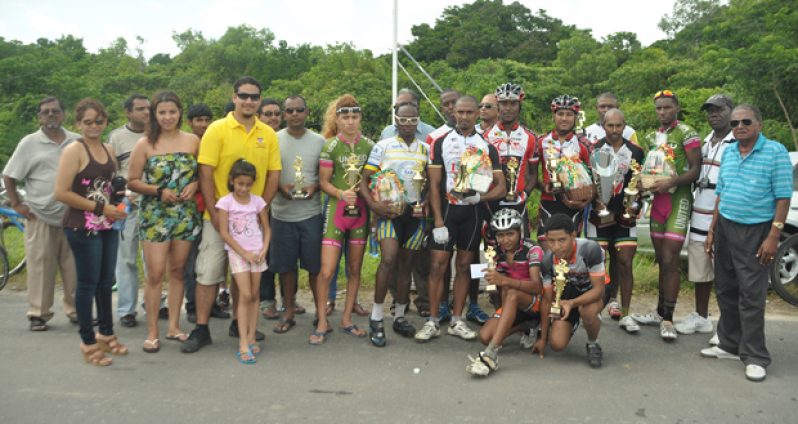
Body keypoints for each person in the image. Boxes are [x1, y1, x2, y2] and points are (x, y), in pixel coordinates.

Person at [182, 76, 281, 353]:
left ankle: (240, 323)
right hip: (218, 216)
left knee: (245, 272)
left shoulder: (268, 134)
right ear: (234, 97)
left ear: (259, 100)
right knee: (209, 271)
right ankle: (201, 328)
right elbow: (205, 172)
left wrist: (259, 210)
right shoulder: (217, 129)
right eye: (244, 96)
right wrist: (215, 213)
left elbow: (274, 174)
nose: (249, 101)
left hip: (251, 221)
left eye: (254, 96)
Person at [701, 104, 791, 382]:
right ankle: (729, 343)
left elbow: (783, 197)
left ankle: (755, 356)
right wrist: (713, 230)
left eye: (746, 122)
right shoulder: (729, 152)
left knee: (751, 293)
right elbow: (722, 194)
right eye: (735, 123)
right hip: (726, 226)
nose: (739, 126)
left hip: (756, 230)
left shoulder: (775, 152)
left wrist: (774, 236)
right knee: (726, 287)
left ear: (759, 124)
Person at [414, 95, 506, 343]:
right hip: (446, 212)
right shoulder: (441, 142)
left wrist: (480, 198)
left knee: (465, 267)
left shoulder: (487, 146)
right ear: (453, 113)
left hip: (472, 214)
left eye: (469, 112)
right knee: (437, 266)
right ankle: (433, 321)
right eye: (459, 112)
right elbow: (433, 185)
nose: (464, 117)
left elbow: (502, 187)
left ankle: (457, 319)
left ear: (478, 114)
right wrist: (438, 222)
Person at [54, 98, 128, 365]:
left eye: (98, 121)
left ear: (105, 121)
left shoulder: (108, 148)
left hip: (107, 223)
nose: (93, 126)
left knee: (106, 281)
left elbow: (109, 186)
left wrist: (118, 204)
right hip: (81, 225)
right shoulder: (74, 150)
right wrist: (101, 208)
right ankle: (87, 342)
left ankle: (106, 334)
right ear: (78, 124)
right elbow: (61, 192)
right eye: (87, 122)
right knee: (87, 284)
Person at [127, 91, 201, 353]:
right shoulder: (145, 143)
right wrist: (158, 191)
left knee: (179, 270)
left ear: (180, 112)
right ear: (154, 115)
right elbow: (132, 180)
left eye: (172, 112)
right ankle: (152, 331)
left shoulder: (192, 141)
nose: (168, 117)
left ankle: (173, 326)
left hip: (185, 214)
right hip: (155, 215)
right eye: (162, 112)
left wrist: (195, 183)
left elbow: (204, 173)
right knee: (156, 273)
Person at [3, 96, 79, 331]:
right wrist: (16, 204)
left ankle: (77, 310)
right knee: (40, 266)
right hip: (40, 214)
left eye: (55, 111)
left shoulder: (76, 141)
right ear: (39, 117)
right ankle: (38, 313)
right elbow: (9, 175)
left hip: (73, 214)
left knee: (75, 266)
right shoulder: (29, 143)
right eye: (45, 112)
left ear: (63, 114)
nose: (50, 115)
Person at [631, 90, 701, 342]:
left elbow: (696, 170)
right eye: (659, 108)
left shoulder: (687, 133)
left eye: (667, 108)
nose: (663, 112)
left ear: (677, 108)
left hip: (678, 199)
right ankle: (660, 312)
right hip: (657, 202)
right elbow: (646, 169)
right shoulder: (651, 136)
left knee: (671, 258)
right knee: (661, 258)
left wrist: (673, 181)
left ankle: (669, 318)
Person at [362, 102, 429, 347]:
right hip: (388, 211)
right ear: (396, 120)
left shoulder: (425, 148)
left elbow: (432, 182)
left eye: (413, 120)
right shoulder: (383, 146)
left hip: (414, 213)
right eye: (403, 120)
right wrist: (374, 206)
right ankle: (376, 317)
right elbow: (364, 180)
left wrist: (427, 204)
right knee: (388, 259)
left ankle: (400, 316)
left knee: (406, 265)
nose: (408, 124)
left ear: (418, 121)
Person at [311, 94, 375, 344]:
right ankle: (322, 321)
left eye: (354, 117)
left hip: (360, 214)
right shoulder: (330, 146)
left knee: (354, 269)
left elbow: (373, 180)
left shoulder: (369, 146)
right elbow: (323, 182)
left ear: (360, 118)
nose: (350, 122)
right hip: (336, 213)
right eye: (345, 117)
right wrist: (341, 193)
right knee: (326, 271)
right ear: (336, 119)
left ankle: (347, 318)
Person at [676, 94, 734, 339]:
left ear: (731, 110)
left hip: (724, 215)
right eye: (710, 110)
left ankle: (728, 327)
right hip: (700, 212)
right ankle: (701, 317)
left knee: (726, 273)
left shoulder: (737, 141)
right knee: (701, 270)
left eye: (719, 109)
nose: (714, 114)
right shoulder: (707, 141)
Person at [584, 109, 645, 333]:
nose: (614, 130)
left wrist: (637, 200)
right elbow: (586, 180)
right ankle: (593, 310)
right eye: (610, 126)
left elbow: (639, 184)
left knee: (625, 263)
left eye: (618, 126)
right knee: (595, 264)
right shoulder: (593, 149)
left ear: (624, 126)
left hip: (624, 216)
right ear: (603, 125)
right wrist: (594, 198)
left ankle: (626, 313)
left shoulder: (636, 151)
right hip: (598, 215)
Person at [270, 95, 325, 334]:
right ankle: (289, 311)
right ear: (284, 114)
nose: (294, 114)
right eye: (289, 111)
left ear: (307, 112)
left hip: (311, 214)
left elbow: (327, 177)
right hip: (281, 214)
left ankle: (320, 315)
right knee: (286, 268)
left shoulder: (320, 142)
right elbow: (267, 173)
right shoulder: (273, 140)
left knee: (315, 268)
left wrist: (316, 187)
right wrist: (279, 188)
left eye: (299, 110)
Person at [466, 209, 544, 377]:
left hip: (535, 302)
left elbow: (538, 287)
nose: (505, 240)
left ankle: (491, 353)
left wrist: (504, 280)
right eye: (501, 235)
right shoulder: (496, 253)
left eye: (510, 234)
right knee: (484, 336)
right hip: (512, 303)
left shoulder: (533, 249)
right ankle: (526, 326)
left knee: (512, 292)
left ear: (519, 232)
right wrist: (491, 279)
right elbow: (495, 284)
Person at [217, 160, 271, 364]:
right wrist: (244, 253)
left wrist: (264, 249)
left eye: (248, 184)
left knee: (255, 295)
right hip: (238, 254)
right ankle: (242, 342)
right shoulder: (225, 202)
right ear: (232, 181)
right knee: (245, 295)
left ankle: (250, 336)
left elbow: (267, 229)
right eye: (240, 184)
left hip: (257, 253)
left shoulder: (258, 202)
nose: (243, 188)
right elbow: (224, 232)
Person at [536, 213, 606, 368]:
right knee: (557, 345)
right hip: (569, 293)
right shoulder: (547, 260)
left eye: (562, 240)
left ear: (573, 235)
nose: (556, 247)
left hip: (592, 291)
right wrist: (542, 337)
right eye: (551, 241)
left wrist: (571, 303)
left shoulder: (590, 249)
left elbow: (599, 290)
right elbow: (547, 300)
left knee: (587, 311)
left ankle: (593, 343)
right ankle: (573, 320)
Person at [183, 104, 231, 323]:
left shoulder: (216, 139)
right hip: (192, 209)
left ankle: (211, 305)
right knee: (193, 261)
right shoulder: (187, 144)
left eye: (207, 119)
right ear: (189, 122)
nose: (203, 124)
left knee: (214, 262)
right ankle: (193, 305)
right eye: (198, 120)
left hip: (212, 209)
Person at [107, 93, 149, 328]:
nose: (146, 113)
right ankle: (126, 309)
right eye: (140, 108)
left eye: (148, 108)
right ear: (128, 112)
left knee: (154, 260)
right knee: (125, 259)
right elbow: (111, 172)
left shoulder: (157, 133)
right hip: (127, 205)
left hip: (153, 202)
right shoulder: (117, 137)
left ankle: (155, 303)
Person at [534, 95, 592, 252]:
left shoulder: (584, 145)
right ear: (553, 116)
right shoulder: (540, 141)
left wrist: (584, 202)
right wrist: (543, 187)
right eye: (560, 114)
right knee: (547, 251)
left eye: (569, 114)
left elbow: (593, 180)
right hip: (548, 203)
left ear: (575, 117)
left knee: (569, 252)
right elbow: (531, 175)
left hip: (572, 204)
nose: (564, 119)